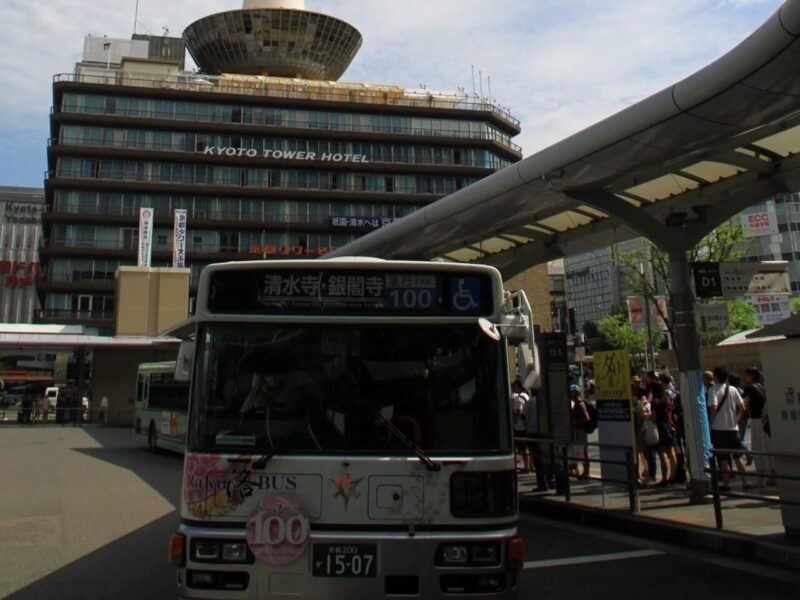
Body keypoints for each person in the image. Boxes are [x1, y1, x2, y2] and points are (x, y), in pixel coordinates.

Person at [708, 367, 750, 490]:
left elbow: (713, 407)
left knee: (723, 459)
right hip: (733, 428)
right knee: (738, 456)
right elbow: (742, 406)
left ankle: (726, 485)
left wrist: (710, 423)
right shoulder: (732, 389)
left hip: (719, 429)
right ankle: (745, 482)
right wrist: (737, 420)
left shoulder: (713, 390)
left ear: (715, 377)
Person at [742, 368, 776, 487]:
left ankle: (762, 478)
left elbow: (745, 407)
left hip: (757, 421)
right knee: (768, 447)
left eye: (747, 375)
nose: (745, 378)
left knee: (758, 449)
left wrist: (739, 419)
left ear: (752, 376)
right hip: (766, 421)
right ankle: (772, 474)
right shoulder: (763, 388)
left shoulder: (749, 389)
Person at [651, 382, 678, 486]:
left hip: (661, 428)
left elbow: (653, 417)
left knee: (662, 455)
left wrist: (648, 416)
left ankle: (664, 478)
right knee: (672, 453)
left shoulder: (655, 402)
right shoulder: (668, 399)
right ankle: (673, 476)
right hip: (669, 427)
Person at [569, 384, 591, 478]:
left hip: (581, 431)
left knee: (584, 451)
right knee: (579, 452)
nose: (570, 393)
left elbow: (587, 418)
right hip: (578, 430)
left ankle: (586, 472)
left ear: (575, 392)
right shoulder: (576, 404)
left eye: (571, 392)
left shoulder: (580, 404)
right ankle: (581, 471)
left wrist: (575, 422)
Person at [511, 381, 530, 470]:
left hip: (519, 426)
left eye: (514, 387)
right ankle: (530, 465)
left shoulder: (518, 398)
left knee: (522, 448)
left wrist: (513, 417)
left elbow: (519, 410)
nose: (513, 389)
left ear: (518, 387)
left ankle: (526, 466)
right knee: (527, 447)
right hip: (526, 425)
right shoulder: (527, 396)